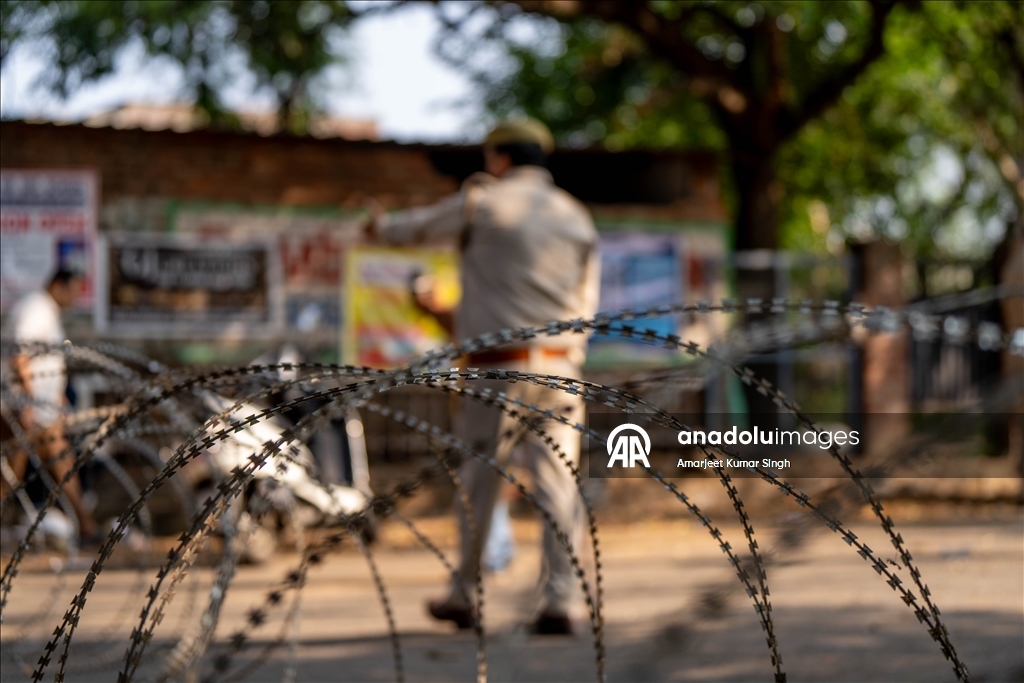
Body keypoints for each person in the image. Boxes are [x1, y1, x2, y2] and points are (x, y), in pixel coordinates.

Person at [366, 118, 600, 634]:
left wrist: (379, 227)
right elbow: (588, 302)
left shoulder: (484, 201)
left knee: (480, 483)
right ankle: (562, 601)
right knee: (559, 484)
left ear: (498, 158)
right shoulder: (577, 216)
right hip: (562, 367)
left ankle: (464, 593)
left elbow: (414, 228)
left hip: (498, 370)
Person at [4, 269, 98, 539]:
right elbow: (19, 356)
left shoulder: (47, 311)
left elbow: (45, 361)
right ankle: (85, 525)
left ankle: (85, 525)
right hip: (25, 406)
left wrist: (57, 397)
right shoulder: (36, 309)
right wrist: (28, 401)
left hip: (43, 409)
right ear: (59, 285)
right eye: (73, 290)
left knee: (61, 461)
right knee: (12, 473)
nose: (76, 298)